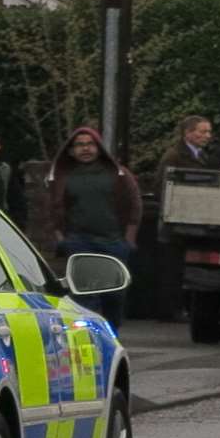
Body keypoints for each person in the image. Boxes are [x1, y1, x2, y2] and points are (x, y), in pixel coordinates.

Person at [45, 127, 142, 329]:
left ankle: (111, 335)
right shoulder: (62, 177)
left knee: (114, 295)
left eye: (90, 144)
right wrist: (60, 237)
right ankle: (85, 337)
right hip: (80, 242)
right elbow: (53, 210)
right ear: (71, 150)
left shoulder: (119, 174)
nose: (85, 149)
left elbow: (134, 205)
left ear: (98, 147)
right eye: (79, 145)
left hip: (114, 242)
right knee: (83, 295)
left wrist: (128, 238)